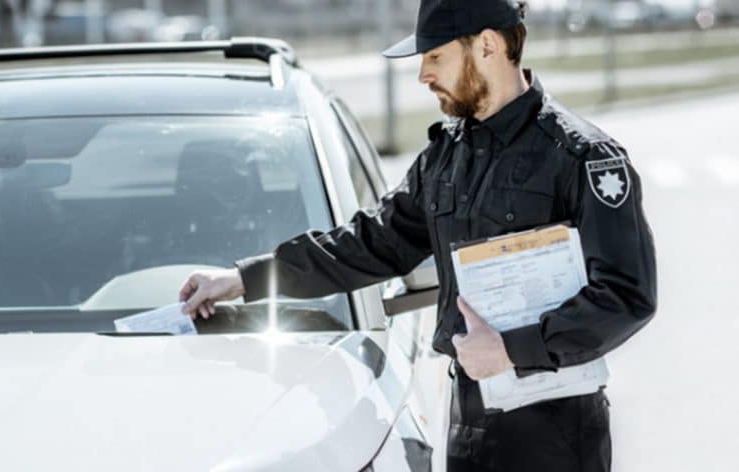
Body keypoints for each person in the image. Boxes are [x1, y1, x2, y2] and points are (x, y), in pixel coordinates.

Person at [178, 0, 657, 470]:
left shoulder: (582, 156)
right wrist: (245, 279)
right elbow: (368, 244)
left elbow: (626, 295)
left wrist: (513, 349)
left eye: (435, 56)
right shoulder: (447, 157)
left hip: (554, 434)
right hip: (468, 427)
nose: (423, 74)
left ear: (487, 46)